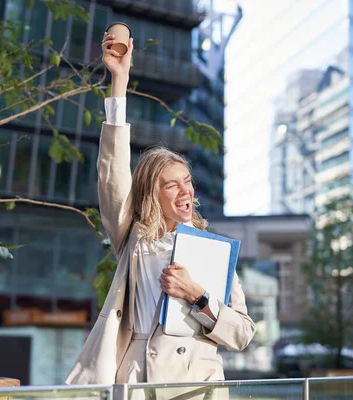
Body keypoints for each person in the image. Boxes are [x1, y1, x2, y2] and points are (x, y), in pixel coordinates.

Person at [66, 32, 256, 390]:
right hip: (139, 381)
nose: (186, 191)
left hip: (196, 387)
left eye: (187, 181)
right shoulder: (133, 239)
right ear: (152, 194)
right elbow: (113, 174)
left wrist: (197, 295)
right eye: (172, 185)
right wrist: (118, 83)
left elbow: (243, 333)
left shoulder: (211, 250)